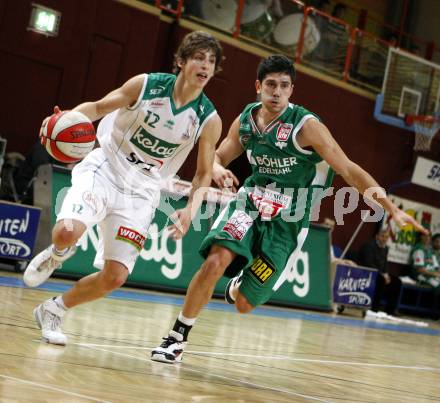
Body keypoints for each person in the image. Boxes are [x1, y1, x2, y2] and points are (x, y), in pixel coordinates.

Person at [151, 54, 427, 364]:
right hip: (250, 202)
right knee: (216, 259)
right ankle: (177, 337)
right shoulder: (246, 121)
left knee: (243, 304)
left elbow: (350, 170)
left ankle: (241, 284)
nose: (277, 92)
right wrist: (215, 169)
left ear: (292, 90)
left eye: (284, 86)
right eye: (270, 84)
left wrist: (391, 209)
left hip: (289, 221)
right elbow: (217, 156)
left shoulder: (307, 127)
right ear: (258, 86)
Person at [23, 31, 223, 345]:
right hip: (106, 167)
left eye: (211, 61)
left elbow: (203, 173)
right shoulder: (146, 85)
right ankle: (57, 254)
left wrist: (191, 209)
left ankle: (54, 309)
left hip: (142, 191)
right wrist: (66, 119)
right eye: (199, 57)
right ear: (182, 61)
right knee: (66, 232)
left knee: (115, 276)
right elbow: (100, 107)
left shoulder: (208, 119)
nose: (205, 65)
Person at [357, 228, 401, 315]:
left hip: (380, 273)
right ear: (377, 236)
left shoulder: (385, 248)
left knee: (396, 281)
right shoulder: (369, 246)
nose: (384, 239)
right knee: (380, 279)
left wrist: (387, 274)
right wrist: (382, 274)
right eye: (382, 236)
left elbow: (385, 263)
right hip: (366, 272)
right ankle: (374, 308)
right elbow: (368, 263)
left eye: (386, 237)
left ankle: (391, 310)